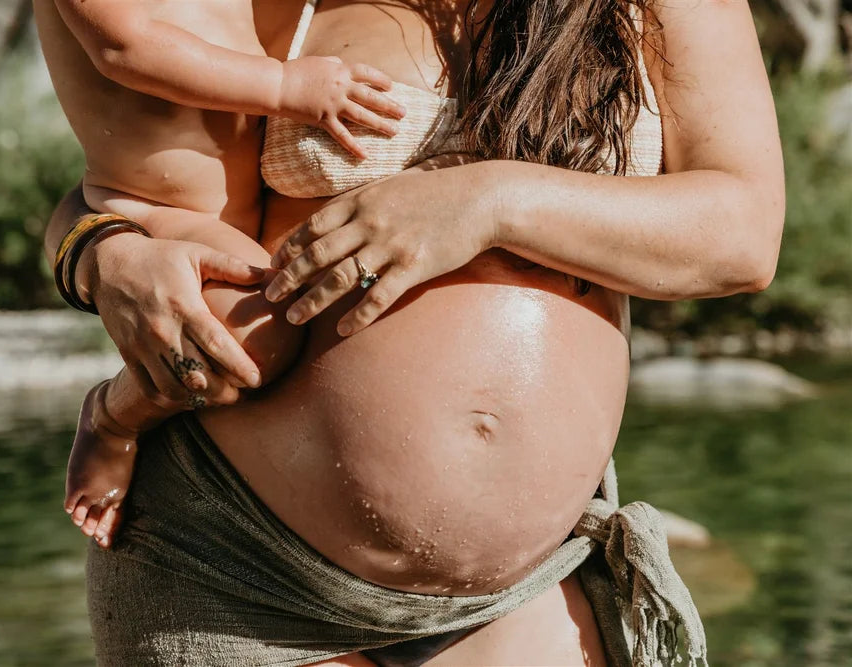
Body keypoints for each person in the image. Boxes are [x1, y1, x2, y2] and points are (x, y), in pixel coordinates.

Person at [42, 0, 784, 664]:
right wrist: (101, 251)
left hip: (523, 592)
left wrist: (489, 202)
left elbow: (743, 236)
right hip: (240, 570)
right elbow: (139, 179)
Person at [35, 0, 407, 540]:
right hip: (152, 206)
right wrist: (284, 87)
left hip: (243, 206)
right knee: (250, 330)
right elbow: (125, 45)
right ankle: (114, 417)